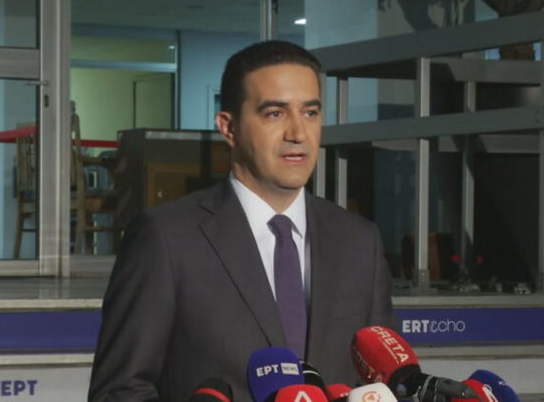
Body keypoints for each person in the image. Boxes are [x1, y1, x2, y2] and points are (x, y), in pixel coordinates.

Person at [88, 40, 398, 402]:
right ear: (229, 127)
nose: (298, 134)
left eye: (310, 112)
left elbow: (385, 381)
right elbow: (120, 391)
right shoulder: (166, 238)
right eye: (275, 114)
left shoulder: (360, 240)